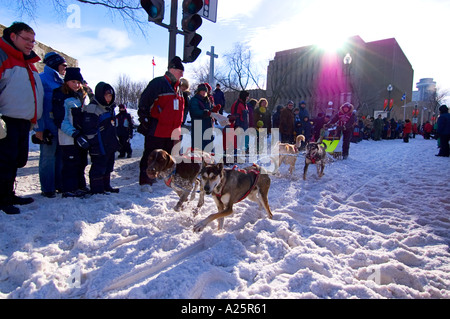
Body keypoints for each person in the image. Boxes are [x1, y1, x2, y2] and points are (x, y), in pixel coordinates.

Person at [0, 22, 44, 215]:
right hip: (5, 119)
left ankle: (9, 193)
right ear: (13, 36)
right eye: (26, 39)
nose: (30, 44)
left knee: (16, 160)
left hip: (22, 121)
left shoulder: (29, 63)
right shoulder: (3, 56)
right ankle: (2, 198)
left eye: (33, 41)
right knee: (4, 160)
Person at [137, 56, 185, 190]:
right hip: (157, 129)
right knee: (151, 156)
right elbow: (144, 102)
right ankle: (145, 180)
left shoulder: (178, 89)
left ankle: (164, 178)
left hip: (172, 131)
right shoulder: (158, 83)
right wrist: (144, 119)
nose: (182, 74)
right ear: (171, 69)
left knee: (167, 158)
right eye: (180, 71)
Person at [54, 67, 90, 198]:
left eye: (78, 82)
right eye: (73, 81)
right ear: (67, 82)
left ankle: (80, 186)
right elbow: (61, 120)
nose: (76, 84)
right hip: (68, 138)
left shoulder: (82, 98)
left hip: (81, 137)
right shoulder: (61, 97)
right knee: (70, 163)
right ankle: (69, 188)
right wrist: (74, 134)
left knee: (81, 162)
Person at [80, 82, 121, 194]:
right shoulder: (93, 108)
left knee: (108, 166)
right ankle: (97, 189)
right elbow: (89, 129)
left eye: (110, 96)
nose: (108, 98)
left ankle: (106, 186)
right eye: (106, 96)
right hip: (98, 144)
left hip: (109, 144)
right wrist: (93, 143)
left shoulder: (110, 108)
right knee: (98, 167)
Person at [36, 52, 67, 198]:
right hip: (47, 125)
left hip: (59, 126)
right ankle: (47, 188)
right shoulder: (42, 79)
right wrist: (39, 128)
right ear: (54, 64)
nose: (65, 68)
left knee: (60, 156)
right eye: (63, 65)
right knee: (48, 157)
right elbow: (38, 105)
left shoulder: (61, 81)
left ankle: (58, 184)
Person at [189, 83, 220, 151]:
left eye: (205, 91)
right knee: (198, 146)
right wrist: (205, 113)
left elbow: (210, 110)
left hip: (207, 125)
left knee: (208, 145)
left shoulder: (207, 100)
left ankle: (208, 159)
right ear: (198, 91)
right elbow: (194, 112)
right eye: (202, 91)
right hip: (198, 124)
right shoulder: (194, 100)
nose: (204, 92)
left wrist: (213, 110)